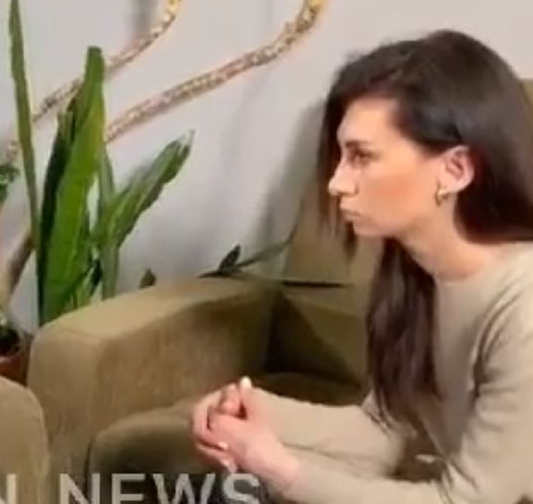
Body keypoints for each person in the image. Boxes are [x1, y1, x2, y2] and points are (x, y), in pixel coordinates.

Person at [192, 29, 533, 503]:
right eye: (340, 157)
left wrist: (277, 468)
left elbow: (467, 501)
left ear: (455, 169)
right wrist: (249, 409)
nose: (336, 183)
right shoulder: (414, 274)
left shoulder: (522, 308)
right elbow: (385, 429)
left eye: (361, 157)